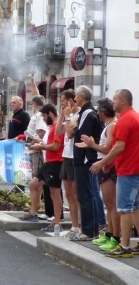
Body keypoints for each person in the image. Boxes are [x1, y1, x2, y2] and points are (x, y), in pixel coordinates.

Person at [91, 89, 139, 257]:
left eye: (115, 98)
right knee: (135, 208)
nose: (113, 101)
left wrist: (103, 162)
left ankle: (125, 247)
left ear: (124, 101)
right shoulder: (134, 116)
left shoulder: (125, 120)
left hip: (128, 169)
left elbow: (119, 146)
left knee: (124, 209)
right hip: (134, 168)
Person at [82, 98, 121, 252]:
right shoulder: (108, 126)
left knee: (112, 205)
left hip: (109, 168)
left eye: (98, 110)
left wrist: (93, 145)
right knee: (109, 205)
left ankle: (115, 237)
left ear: (103, 112)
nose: (97, 112)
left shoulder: (112, 126)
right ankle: (110, 234)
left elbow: (109, 150)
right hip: (107, 166)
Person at [22, 104, 64, 237]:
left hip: (55, 162)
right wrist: (39, 143)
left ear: (51, 114)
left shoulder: (57, 127)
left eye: (45, 116)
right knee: (33, 184)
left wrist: (40, 146)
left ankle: (57, 222)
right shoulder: (53, 127)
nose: (44, 119)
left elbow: (56, 146)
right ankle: (34, 212)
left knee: (54, 192)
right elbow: (50, 144)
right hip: (49, 162)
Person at [71, 86, 102, 241]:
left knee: (85, 195)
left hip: (84, 159)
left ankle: (88, 231)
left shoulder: (88, 113)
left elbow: (82, 134)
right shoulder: (86, 112)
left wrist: (75, 127)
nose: (74, 98)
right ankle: (92, 230)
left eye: (76, 96)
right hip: (83, 158)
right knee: (86, 194)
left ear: (82, 96)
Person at [56, 89, 82, 238]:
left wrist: (67, 116)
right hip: (66, 155)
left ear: (71, 100)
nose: (62, 103)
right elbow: (59, 132)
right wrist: (62, 115)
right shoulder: (66, 115)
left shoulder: (78, 115)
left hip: (75, 156)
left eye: (64, 101)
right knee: (69, 194)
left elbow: (70, 133)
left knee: (77, 193)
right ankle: (74, 225)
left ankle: (81, 226)